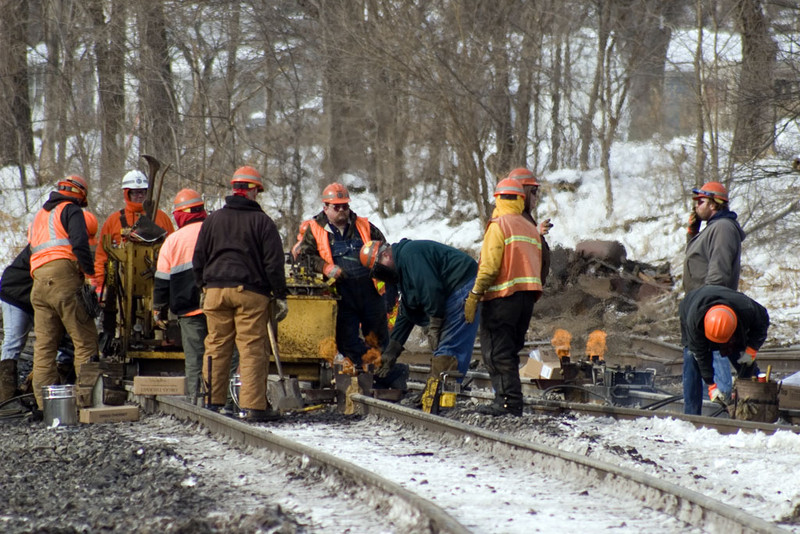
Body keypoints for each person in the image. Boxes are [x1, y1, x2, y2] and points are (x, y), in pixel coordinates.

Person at [193, 166, 288, 422]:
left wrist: (203, 285)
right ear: (254, 190)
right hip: (250, 293)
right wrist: (279, 294)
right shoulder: (263, 222)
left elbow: (198, 257)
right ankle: (253, 406)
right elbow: (273, 264)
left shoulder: (212, 220)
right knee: (251, 348)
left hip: (215, 291)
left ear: (234, 190)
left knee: (216, 344)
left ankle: (212, 402)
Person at [295, 183, 406, 389]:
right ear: (325, 207)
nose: (341, 211)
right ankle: (360, 377)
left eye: (344, 206)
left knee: (379, 337)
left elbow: (385, 252)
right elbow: (304, 256)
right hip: (340, 294)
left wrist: (389, 292)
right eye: (336, 207)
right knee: (348, 340)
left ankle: (383, 377)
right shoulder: (315, 229)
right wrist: (326, 267)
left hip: (369, 291)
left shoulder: (364, 226)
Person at [360, 238, 479, 406]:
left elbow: (431, 290)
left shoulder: (411, 255)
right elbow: (408, 309)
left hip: (461, 284)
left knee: (449, 343)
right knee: (445, 344)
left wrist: (435, 325)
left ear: (385, 255)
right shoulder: (403, 267)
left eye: (378, 270)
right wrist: (392, 350)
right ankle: (437, 390)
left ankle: (440, 394)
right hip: (450, 289)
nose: (380, 275)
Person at [0, 211, 99, 401]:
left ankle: (48, 396)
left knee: (50, 342)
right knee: (14, 342)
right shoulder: (52, 250)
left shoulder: (63, 249)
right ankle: (6, 396)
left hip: (36, 299)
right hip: (15, 295)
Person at [465, 178, 543, 416]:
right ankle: (512, 401)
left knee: (496, 352)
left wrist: (475, 294)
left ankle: (507, 403)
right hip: (526, 299)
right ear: (521, 198)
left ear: (497, 198)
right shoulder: (530, 227)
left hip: (501, 297)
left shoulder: (499, 225)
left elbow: (489, 267)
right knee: (510, 351)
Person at [28, 175, 98, 414]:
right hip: (63, 276)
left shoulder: (39, 216)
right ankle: (85, 403)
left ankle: (44, 406)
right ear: (80, 194)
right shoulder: (71, 210)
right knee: (85, 340)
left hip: (38, 282)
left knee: (45, 346)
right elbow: (79, 244)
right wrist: (90, 274)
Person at [681, 181, 746, 414]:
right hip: (699, 303)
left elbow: (718, 270)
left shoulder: (723, 229)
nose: (696, 206)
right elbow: (697, 259)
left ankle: (724, 405)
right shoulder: (712, 228)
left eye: (700, 201)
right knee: (692, 356)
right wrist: (692, 232)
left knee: (716, 352)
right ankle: (692, 414)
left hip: (708, 305)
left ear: (714, 204)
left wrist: (707, 304)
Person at [154, 189, 211, 401]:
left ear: (179, 214)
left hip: (188, 310)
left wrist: (158, 310)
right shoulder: (214, 230)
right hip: (217, 305)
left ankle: (196, 400)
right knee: (223, 354)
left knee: (194, 359)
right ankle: (226, 399)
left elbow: (162, 281)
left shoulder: (172, 240)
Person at [680, 285, 768, 404]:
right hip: (691, 305)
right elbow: (701, 355)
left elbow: (762, 323)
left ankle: (758, 400)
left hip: (733, 315)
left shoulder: (747, 309)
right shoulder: (695, 324)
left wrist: (751, 350)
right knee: (692, 358)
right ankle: (692, 415)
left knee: (743, 358)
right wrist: (711, 384)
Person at [93, 169, 174, 292]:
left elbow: (172, 249)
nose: (139, 196)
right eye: (135, 193)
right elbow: (102, 255)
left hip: (155, 281)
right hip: (120, 284)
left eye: (142, 192)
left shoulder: (161, 218)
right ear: (127, 194)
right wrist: (100, 284)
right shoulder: (113, 221)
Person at [508, 168, 552, 286]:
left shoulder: (524, 215)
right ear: (523, 192)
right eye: (533, 191)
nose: (535, 197)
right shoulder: (511, 216)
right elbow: (515, 243)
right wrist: (535, 232)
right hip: (517, 292)